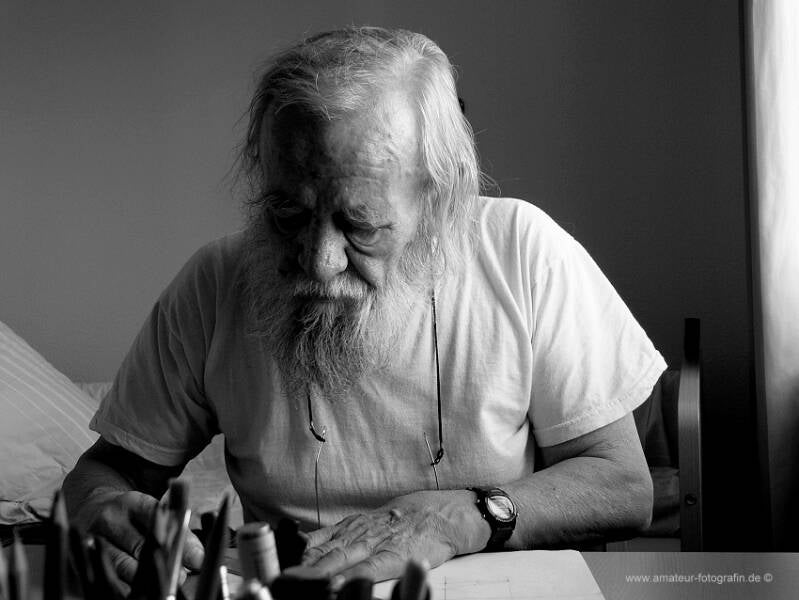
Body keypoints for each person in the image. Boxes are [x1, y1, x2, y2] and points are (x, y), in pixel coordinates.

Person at [63, 26, 665, 585]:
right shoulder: (214, 285)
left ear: (439, 200)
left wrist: (462, 517)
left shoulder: (523, 253)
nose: (319, 261)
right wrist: (100, 508)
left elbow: (622, 485)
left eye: (361, 224)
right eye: (289, 214)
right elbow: (103, 474)